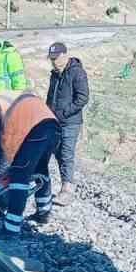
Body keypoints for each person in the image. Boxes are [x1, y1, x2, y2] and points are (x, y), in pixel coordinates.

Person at [0, 88, 61, 243]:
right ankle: (44, 212)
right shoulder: (10, 97)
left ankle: (11, 229)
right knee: (40, 169)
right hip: (53, 127)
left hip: (37, 129)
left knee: (19, 177)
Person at [45, 41, 89, 203]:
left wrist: (63, 113)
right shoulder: (54, 74)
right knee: (57, 152)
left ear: (65, 55)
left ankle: (67, 190)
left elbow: (83, 98)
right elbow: (50, 97)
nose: (53, 61)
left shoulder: (77, 73)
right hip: (54, 121)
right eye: (51, 58)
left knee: (66, 153)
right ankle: (61, 184)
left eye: (56, 58)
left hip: (71, 122)